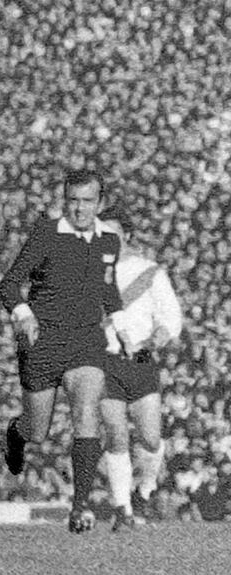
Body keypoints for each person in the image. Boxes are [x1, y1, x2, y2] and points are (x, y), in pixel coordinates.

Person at [0, 169, 123, 532]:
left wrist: (123, 326)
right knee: (38, 431)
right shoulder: (47, 234)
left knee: (86, 411)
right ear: (64, 201)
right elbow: (9, 285)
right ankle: (16, 434)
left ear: (100, 203)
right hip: (44, 342)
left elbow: (108, 290)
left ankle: (80, 507)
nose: (79, 208)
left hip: (86, 341)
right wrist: (23, 315)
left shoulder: (109, 241)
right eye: (73, 200)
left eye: (87, 201)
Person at [98, 227, 183, 530]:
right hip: (104, 360)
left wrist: (161, 335)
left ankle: (144, 491)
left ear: (126, 235)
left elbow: (170, 315)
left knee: (150, 439)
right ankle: (122, 509)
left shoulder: (148, 270)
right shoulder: (88, 270)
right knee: (116, 434)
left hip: (141, 359)